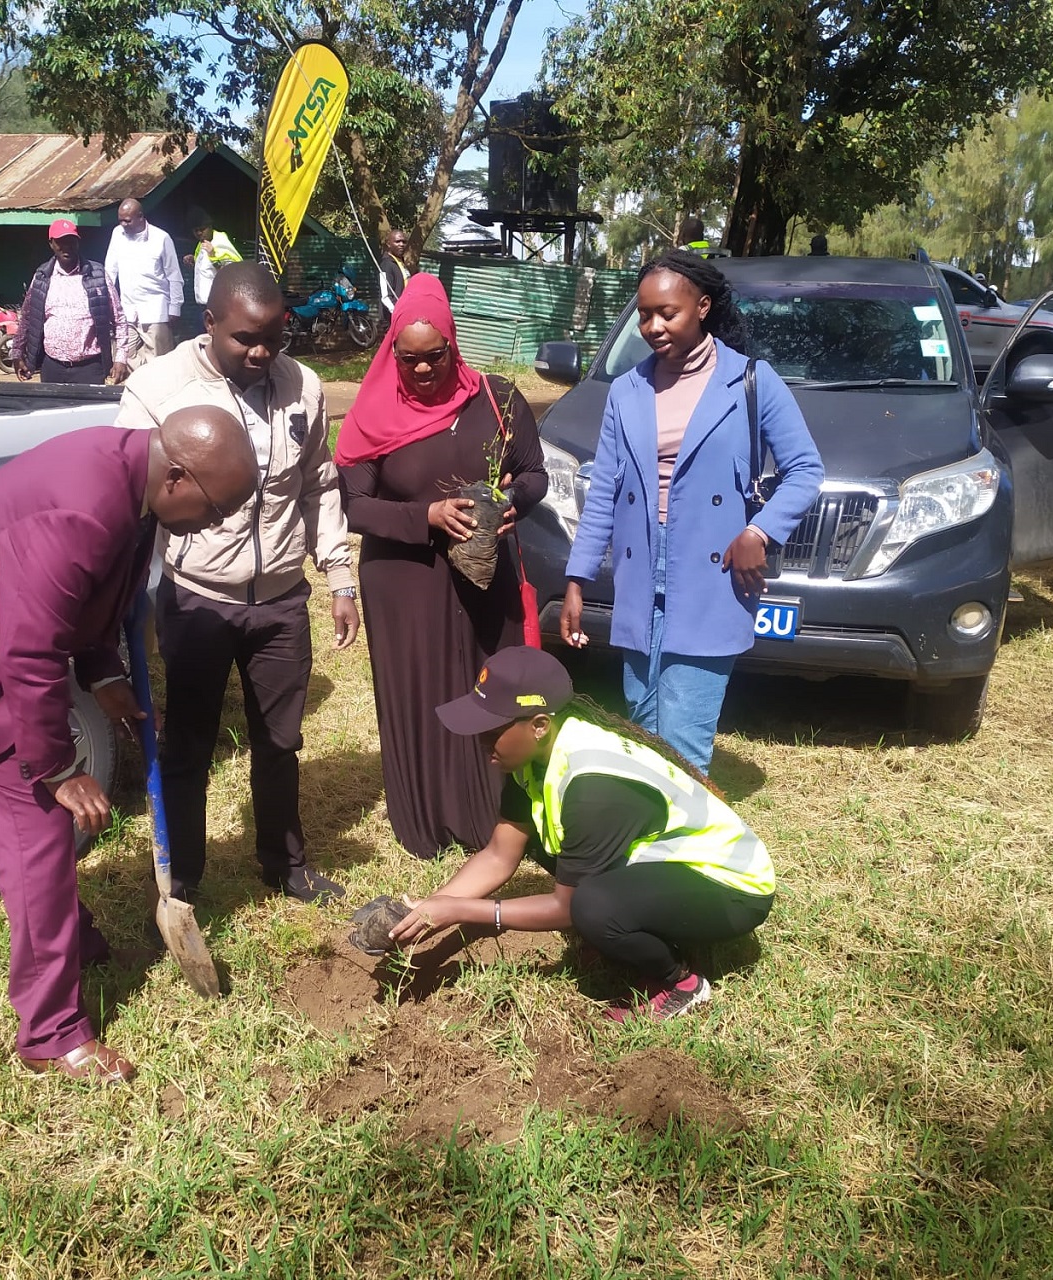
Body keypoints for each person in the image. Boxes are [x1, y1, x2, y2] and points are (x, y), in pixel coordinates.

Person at [0, 408, 259, 1085]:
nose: (213, 523)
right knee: (39, 824)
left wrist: (103, 673)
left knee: (27, 833)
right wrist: (57, 768)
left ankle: (71, 939)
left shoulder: (135, 485)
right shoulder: (83, 507)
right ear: (174, 475)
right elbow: (30, 647)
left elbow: (88, 597)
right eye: (214, 507)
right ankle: (50, 1033)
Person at [113, 261, 357, 904]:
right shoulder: (154, 390)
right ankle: (184, 877)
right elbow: (130, 504)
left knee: (280, 742)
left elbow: (317, 485)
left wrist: (339, 576)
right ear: (209, 323)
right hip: (197, 599)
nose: (263, 352)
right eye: (246, 338)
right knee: (189, 746)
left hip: (280, 600)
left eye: (276, 337)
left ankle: (284, 862)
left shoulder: (302, 386)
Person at [389, 647, 776, 1021]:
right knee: (548, 845)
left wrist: (458, 910)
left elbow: (565, 909)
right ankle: (640, 925)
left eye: (492, 730)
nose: (480, 741)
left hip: (730, 888)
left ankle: (681, 981)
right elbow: (498, 855)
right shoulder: (536, 758)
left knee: (591, 908)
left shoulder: (593, 786)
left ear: (540, 725)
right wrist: (425, 909)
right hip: (671, 869)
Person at [561, 250, 823, 773]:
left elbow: (805, 470)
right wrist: (577, 580)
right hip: (639, 573)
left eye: (668, 313)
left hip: (711, 573)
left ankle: (685, 845)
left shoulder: (752, 381)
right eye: (643, 314)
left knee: (683, 737)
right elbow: (607, 492)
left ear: (702, 306)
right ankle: (646, 837)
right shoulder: (626, 390)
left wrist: (759, 531)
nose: (652, 326)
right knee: (639, 723)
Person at [336, 274, 547, 858]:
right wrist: (423, 516)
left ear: (454, 343)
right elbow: (352, 504)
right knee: (421, 690)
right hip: (404, 579)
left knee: (489, 684)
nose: (424, 370)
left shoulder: (499, 399)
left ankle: (489, 815)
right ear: (392, 353)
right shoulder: (371, 414)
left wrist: (513, 503)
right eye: (410, 360)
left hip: (484, 573)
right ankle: (426, 818)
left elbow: (534, 473)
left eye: (436, 356)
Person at [10, 218, 130, 385]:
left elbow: (119, 319)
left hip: (89, 368)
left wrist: (121, 358)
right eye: (60, 242)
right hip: (52, 367)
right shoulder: (42, 277)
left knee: (90, 411)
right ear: (51, 243)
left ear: (78, 242)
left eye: (71, 241)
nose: (66, 246)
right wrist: (17, 353)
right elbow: (27, 318)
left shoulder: (98, 275)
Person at [104, 198, 183, 369]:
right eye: (120, 220)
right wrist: (109, 303)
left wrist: (175, 307)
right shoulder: (117, 234)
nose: (123, 224)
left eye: (127, 220)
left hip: (155, 310)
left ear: (140, 217)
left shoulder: (161, 238)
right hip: (127, 310)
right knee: (124, 355)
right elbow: (110, 271)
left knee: (159, 364)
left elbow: (174, 275)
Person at [182, 209, 242, 338]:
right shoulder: (201, 245)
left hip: (218, 307)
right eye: (195, 230)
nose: (199, 233)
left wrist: (213, 256)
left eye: (202, 229)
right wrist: (193, 260)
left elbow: (232, 275)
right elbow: (206, 273)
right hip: (202, 306)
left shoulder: (220, 244)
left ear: (210, 226)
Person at [378, 228, 410, 325]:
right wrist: (399, 313)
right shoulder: (386, 265)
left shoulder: (400, 263)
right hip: (392, 319)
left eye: (404, 242)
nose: (401, 244)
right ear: (388, 244)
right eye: (397, 241)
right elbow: (386, 296)